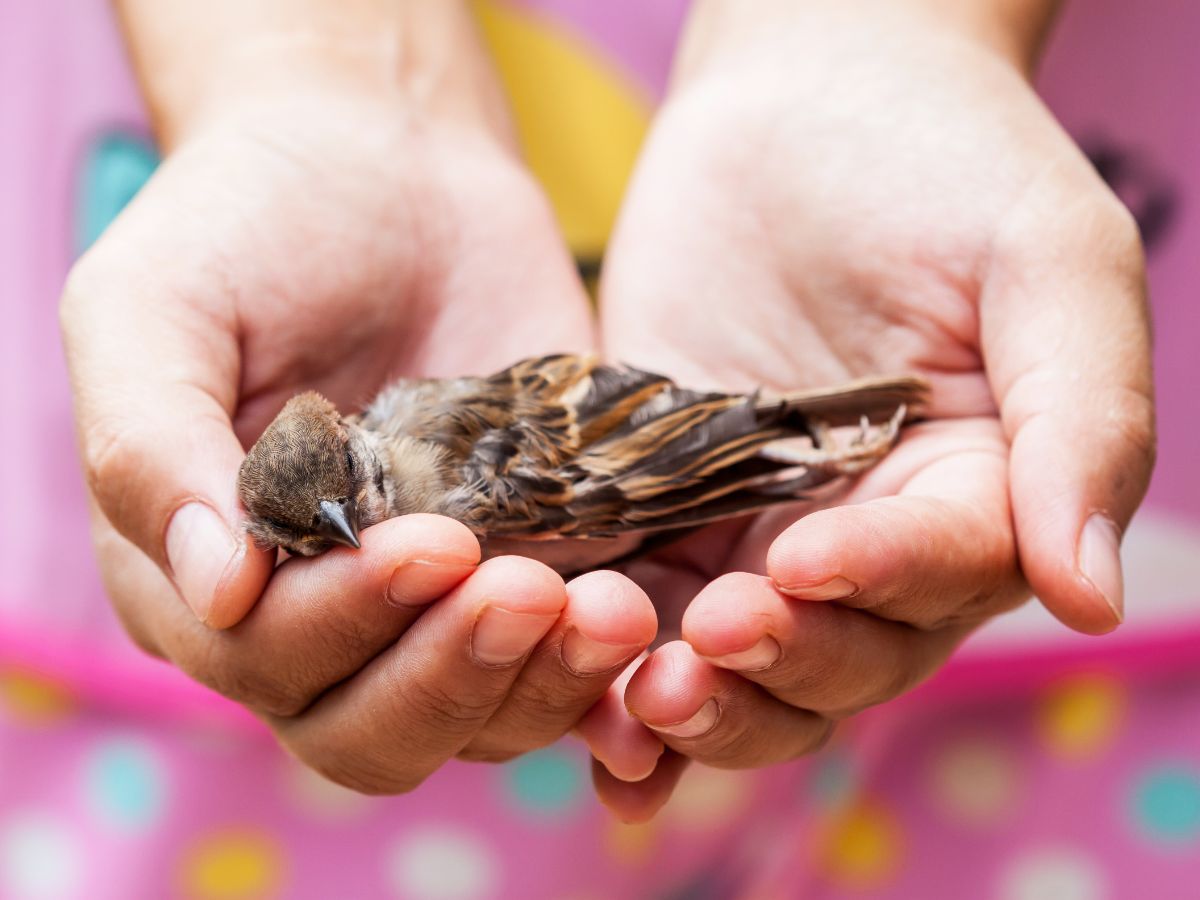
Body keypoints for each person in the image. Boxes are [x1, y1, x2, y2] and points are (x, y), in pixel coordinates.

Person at [6, 0, 1182, 897]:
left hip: (1067, 716)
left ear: (366, 460)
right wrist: (304, 88)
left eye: (353, 503)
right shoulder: (343, 490)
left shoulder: (461, 480)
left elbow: (616, 450)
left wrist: (767, 452)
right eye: (313, 538)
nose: (355, 539)